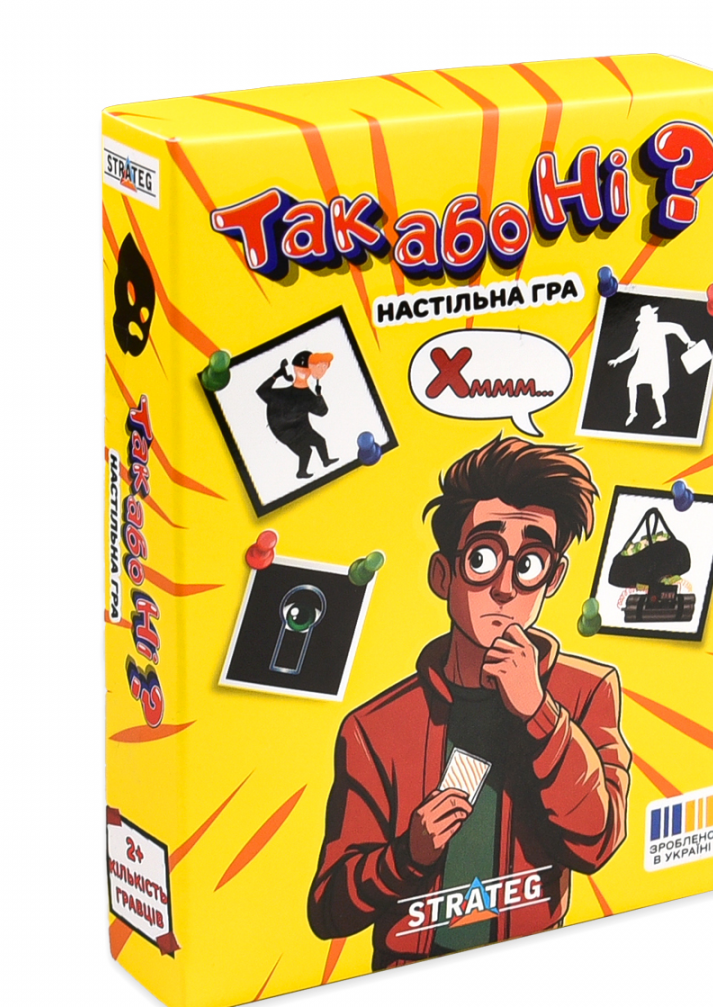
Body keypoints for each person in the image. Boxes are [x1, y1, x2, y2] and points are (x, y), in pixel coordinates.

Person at [308, 434, 631, 969]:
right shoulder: (376, 727)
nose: (505, 587)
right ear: (443, 574)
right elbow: (328, 909)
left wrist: (541, 715)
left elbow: (597, 842)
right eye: (483, 558)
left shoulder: (584, 691)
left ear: (553, 578)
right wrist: (406, 855)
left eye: (530, 564)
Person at [606, 302, 691, 429]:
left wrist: (688, 341)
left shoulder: (659, 327)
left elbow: (677, 328)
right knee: (632, 381)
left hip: (656, 365)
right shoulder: (640, 333)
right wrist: (618, 360)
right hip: (642, 363)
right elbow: (632, 351)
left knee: (657, 393)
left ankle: (663, 418)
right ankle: (633, 412)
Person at [256, 350, 335, 478]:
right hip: (285, 432)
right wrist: (277, 374)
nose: (303, 370)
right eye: (300, 367)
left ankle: (324, 462)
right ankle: (302, 472)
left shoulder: (308, 396)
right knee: (306, 451)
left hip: (302, 429)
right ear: (295, 368)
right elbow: (262, 391)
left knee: (319, 441)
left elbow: (322, 412)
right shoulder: (283, 394)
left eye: (306, 368)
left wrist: (319, 395)